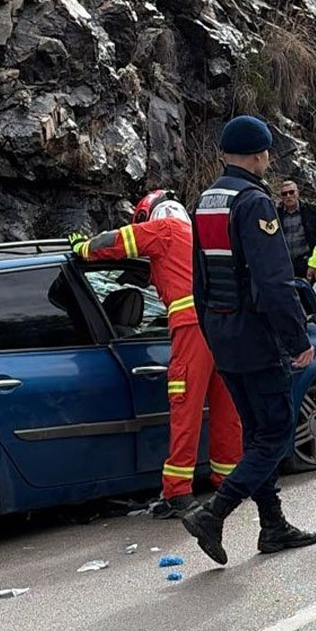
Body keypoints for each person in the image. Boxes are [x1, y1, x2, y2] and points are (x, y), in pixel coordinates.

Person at [181, 115, 316, 564]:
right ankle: (215, 514)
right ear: (261, 155)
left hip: (222, 335)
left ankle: (273, 525)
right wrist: (297, 338)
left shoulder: (205, 202)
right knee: (276, 432)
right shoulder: (254, 203)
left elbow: (199, 280)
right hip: (256, 337)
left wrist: (212, 332)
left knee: (257, 433)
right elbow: (274, 282)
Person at [68, 190, 244, 520]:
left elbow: (115, 241)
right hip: (221, 325)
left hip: (192, 328)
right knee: (225, 405)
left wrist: (83, 248)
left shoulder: (163, 231)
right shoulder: (196, 235)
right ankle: (229, 481)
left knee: (185, 406)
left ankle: (178, 493)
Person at [275, 179, 316, 276]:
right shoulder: (276, 214)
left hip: (307, 262)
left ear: (298, 193)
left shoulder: (312, 211)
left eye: (291, 192)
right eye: (285, 194)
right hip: (285, 264)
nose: (288, 196)